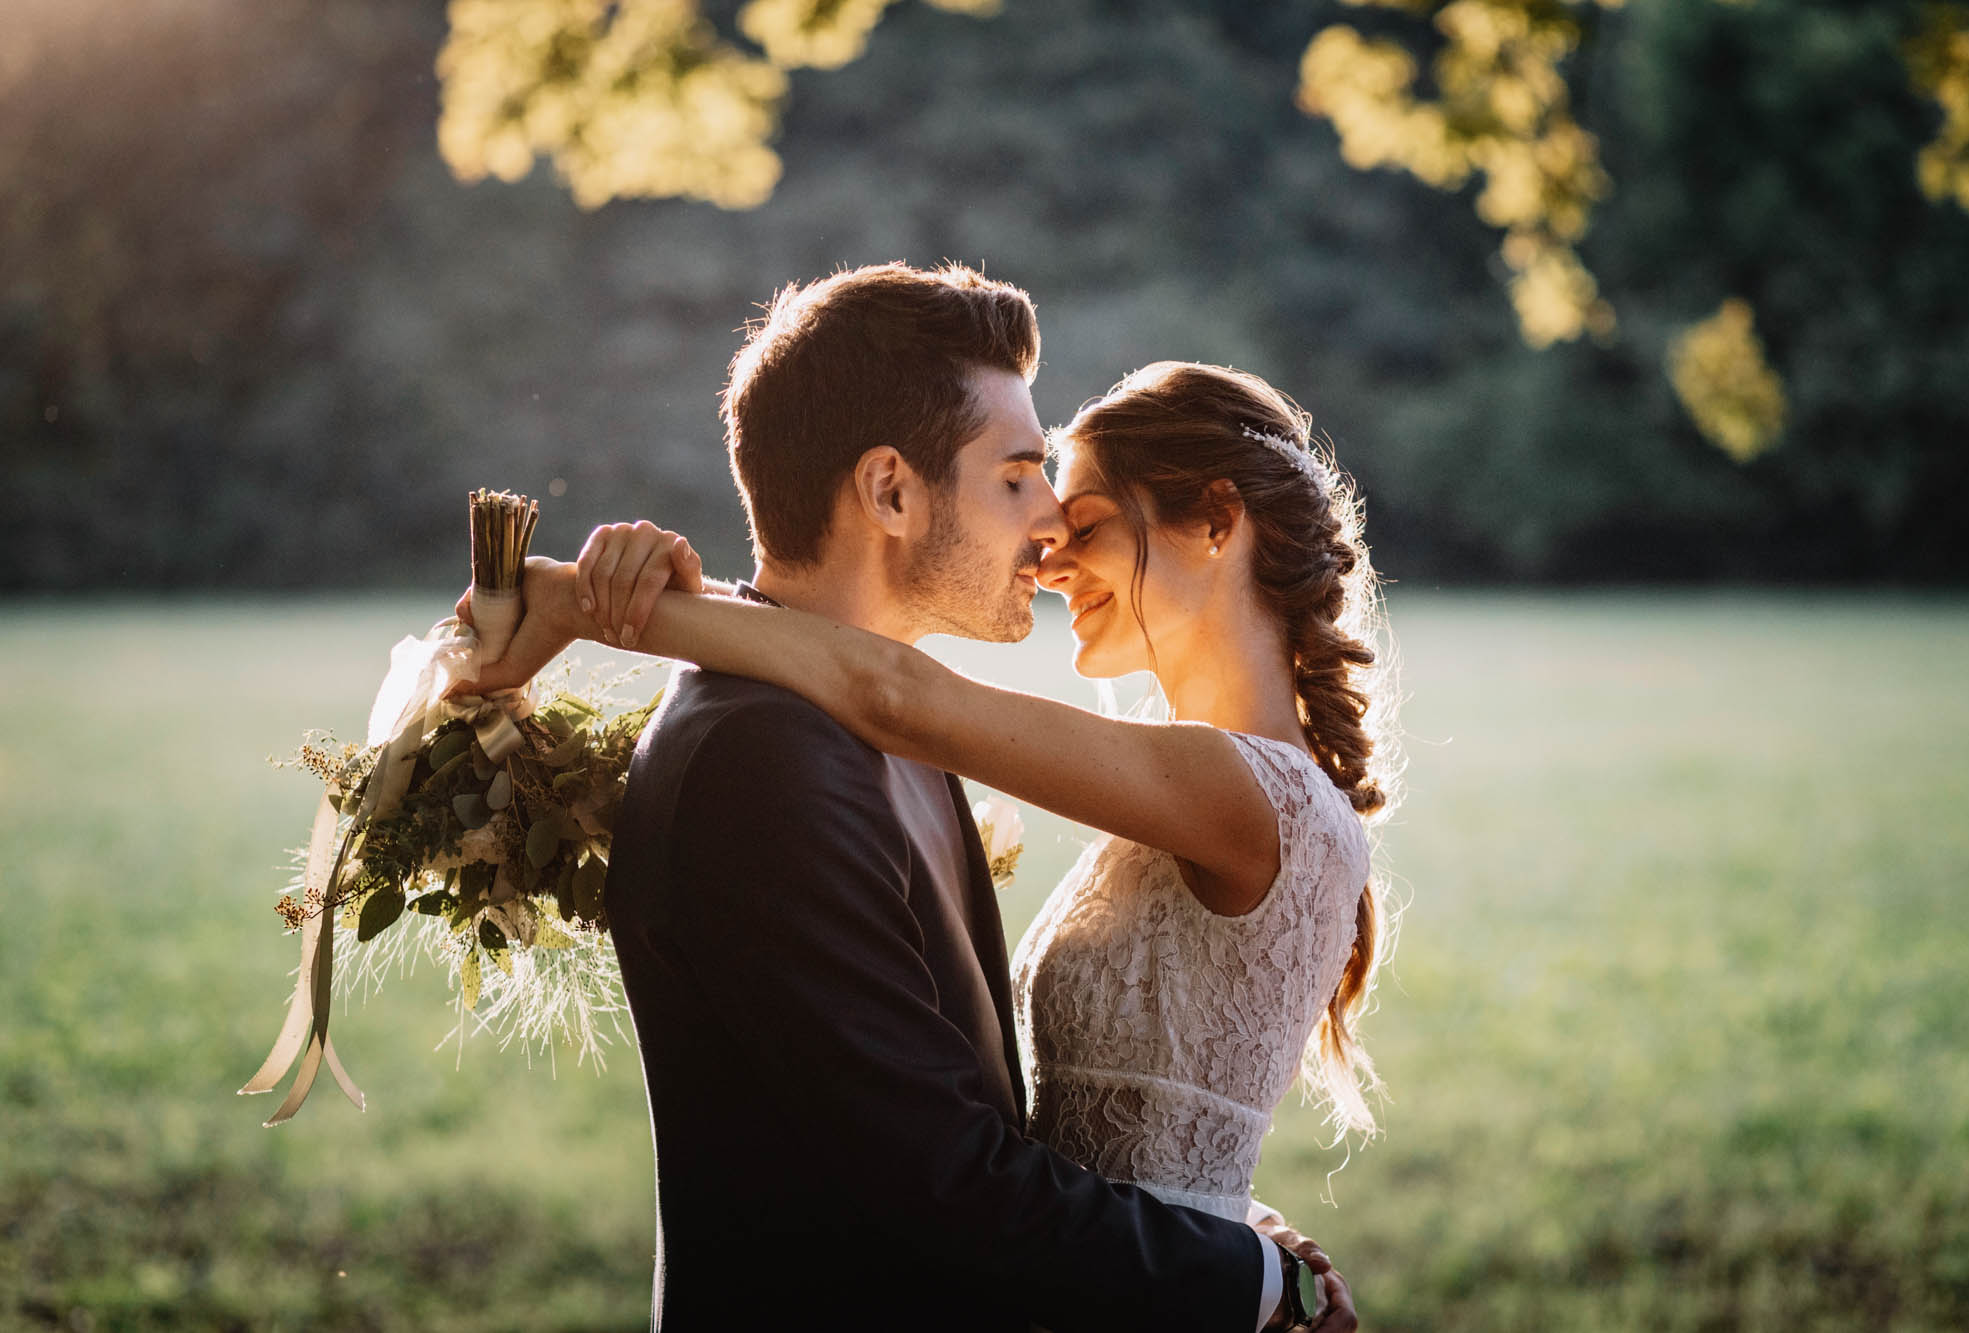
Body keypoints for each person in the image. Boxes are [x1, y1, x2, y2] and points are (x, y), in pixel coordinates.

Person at [468, 264, 1365, 1332]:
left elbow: (885, 693)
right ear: (891, 491)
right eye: (1020, 478)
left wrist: (590, 601)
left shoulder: (896, 726)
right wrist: (1235, 1267)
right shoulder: (771, 752)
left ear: (1216, 525)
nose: (1048, 537)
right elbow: (947, 1182)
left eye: (1071, 505)